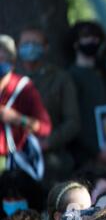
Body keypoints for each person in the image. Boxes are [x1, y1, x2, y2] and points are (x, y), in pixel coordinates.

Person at [16, 27, 80, 189]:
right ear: (18, 47)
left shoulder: (60, 79)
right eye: (26, 43)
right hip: (16, 162)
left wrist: (47, 143)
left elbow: (73, 122)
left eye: (35, 43)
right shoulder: (10, 79)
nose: (30, 47)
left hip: (53, 165)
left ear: (45, 47)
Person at [66, 22, 106, 176]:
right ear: (75, 43)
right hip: (82, 156)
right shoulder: (70, 77)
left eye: (95, 37)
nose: (92, 41)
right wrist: (96, 151)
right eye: (86, 36)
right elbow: (73, 119)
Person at [0, 35, 52, 174]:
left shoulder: (23, 88)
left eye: (2, 59)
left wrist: (16, 118)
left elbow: (44, 127)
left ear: (12, 62)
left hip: (13, 165)